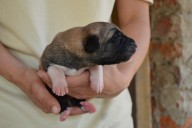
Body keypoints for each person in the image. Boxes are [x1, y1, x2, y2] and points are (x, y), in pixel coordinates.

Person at [0, 0, 153, 127]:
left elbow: (136, 18)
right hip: (14, 111)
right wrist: (19, 75)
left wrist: (122, 79)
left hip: (107, 117)